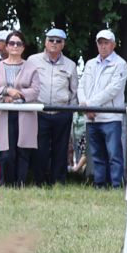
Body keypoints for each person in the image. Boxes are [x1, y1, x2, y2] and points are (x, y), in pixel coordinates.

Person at [21, 28, 79, 185]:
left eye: (58, 41)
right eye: (51, 40)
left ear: (63, 44)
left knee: (61, 150)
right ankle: (39, 181)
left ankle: (58, 183)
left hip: (62, 112)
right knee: (40, 149)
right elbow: (26, 84)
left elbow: (74, 91)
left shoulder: (71, 65)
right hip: (40, 112)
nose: (54, 43)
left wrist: (70, 112)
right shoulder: (33, 60)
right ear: (45, 42)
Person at [79, 29, 127, 189]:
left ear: (113, 45)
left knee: (114, 154)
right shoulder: (89, 63)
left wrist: (89, 105)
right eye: (100, 43)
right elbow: (81, 86)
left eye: (106, 43)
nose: (103, 46)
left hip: (110, 117)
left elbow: (113, 90)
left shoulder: (120, 64)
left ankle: (116, 185)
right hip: (92, 116)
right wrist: (84, 105)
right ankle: (99, 184)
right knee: (96, 155)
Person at [0, 31, 36, 187]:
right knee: (5, 152)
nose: (15, 46)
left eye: (18, 43)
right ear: (6, 46)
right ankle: (4, 183)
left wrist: (19, 95)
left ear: (23, 47)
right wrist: (6, 91)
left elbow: (35, 90)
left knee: (23, 151)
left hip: (24, 115)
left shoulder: (31, 68)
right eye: (11, 43)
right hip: (2, 115)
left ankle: (21, 184)